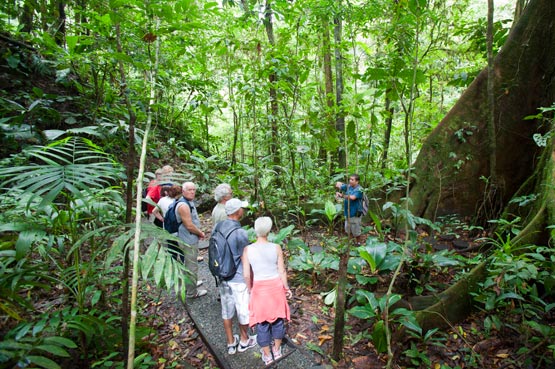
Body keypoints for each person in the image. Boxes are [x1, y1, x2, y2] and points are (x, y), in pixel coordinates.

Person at [242, 217, 292, 365]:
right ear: (269, 231)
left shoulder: (248, 250)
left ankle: (267, 355)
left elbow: (246, 274)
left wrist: (250, 289)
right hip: (275, 288)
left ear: (255, 230)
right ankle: (277, 350)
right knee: (278, 321)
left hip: (259, 288)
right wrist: (286, 288)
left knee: (261, 323)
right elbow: (282, 270)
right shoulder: (276, 247)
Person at [218, 198, 257, 355]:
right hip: (238, 277)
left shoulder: (218, 227)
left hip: (222, 276)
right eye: (242, 208)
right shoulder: (240, 233)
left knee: (226, 310)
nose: (243, 210)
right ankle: (244, 340)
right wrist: (251, 282)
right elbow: (245, 259)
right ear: (237, 212)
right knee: (243, 311)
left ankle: (230, 342)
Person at [176, 181, 207, 299]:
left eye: (194, 189)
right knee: (191, 265)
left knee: (189, 264)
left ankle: (190, 284)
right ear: (183, 191)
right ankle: (192, 292)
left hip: (188, 237)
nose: (192, 192)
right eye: (189, 190)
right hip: (187, 239)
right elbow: (189, 225)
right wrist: (200, 233)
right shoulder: (183, 205)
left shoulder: (188, 202)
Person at [335, 173, 363, 244]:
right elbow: (340, 186)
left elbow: (352, 197)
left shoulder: (359, 189)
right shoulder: (349, 186)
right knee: (348, 230)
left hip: (355, 213)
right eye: (350, 179)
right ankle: (350, 244)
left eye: (352, 180)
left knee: (356, 231)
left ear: (357, 181)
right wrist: (338, 184)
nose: (350, 181)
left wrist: (342, 195)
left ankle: (358, 243)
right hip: (348, 213)